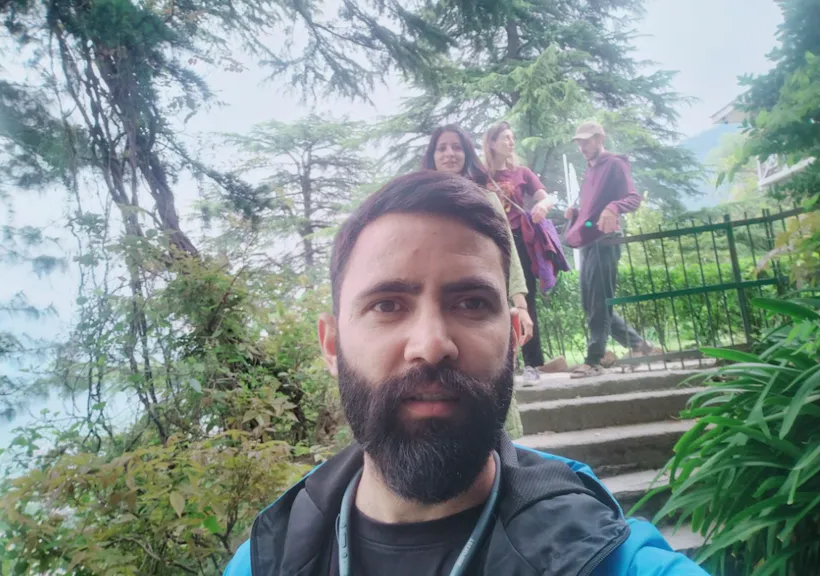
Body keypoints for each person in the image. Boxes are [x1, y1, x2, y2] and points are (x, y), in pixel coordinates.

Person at [222, 170, 709, 576]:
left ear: (516, 335)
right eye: (388, 305)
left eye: (472, 303)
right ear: (331, 344)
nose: (432, 345)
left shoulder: (609, 557)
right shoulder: (266, 561)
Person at [422, 125, 531, 438]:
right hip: (439, 304)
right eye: (442, 148)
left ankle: (504, 449)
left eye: (456, 147)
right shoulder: (423, 202)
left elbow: (507, 251)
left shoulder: (486, 199)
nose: (449, 154)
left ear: (467, 154)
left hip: (479, 303)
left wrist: (519, 303)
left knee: (491, 370)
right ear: (432, 155)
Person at [565, 121, 659, 379]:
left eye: (586, 141)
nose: (582, 147)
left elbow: (633, 198)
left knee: (598, 303)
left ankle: (593, 360)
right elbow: (590, 213)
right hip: (588, 241)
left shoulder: (615, 164)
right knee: (591, 303)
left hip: (607, 242)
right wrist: (576, 216)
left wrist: (613, 208)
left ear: (599, 138)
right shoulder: (590, 170)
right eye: (579, 142)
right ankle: (640, 345)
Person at [482, 122, 569, 378]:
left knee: (525, 299)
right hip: (489, 241)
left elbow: (547, 197)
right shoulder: (480, 175)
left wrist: (542, 207)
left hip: (519, 239)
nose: (511, 142)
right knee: (491, 298)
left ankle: (532, 363)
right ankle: (497, 364)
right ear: (491, 143)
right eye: (505, 138)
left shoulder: (522, 173)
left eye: (513, 138)